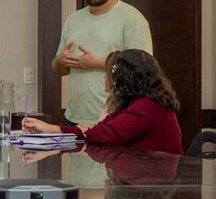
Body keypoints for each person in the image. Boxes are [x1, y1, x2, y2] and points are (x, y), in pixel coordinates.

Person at [52, 0, 152, 126]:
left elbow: (144, 68)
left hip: (115, 117)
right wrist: (60, 60)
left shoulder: (132, 18)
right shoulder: (73, 20)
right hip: (75, 118)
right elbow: (60, 69)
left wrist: (98, 62)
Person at [25, 49, 181, 153]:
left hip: (154, 183)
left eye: (108, 74)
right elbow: (99, 130)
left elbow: (103, 134)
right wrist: (49, 129)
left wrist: (83, 131)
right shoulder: (133, 103)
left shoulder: (147, 106)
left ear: (122, 79)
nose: (105, 78)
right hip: (143, 177)